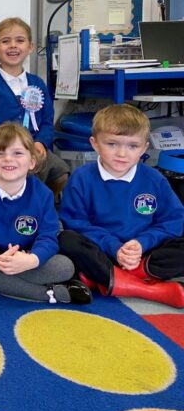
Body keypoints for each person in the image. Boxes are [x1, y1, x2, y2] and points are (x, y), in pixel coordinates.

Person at [59, 104, 184, 308]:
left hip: (145, 254)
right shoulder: (82, 178)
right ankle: (147, 288)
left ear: (144, 148)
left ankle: (117, 277)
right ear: (95, 144)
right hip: (103, 251)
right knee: (66, 240)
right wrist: (115, 248)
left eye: (132, 146)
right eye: (112, 144)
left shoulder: (154, 179)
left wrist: (142, 243)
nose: (122, 153)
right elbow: (75, 223)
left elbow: (173, 221)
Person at [0, 123, 91, 304]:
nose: (8, 159)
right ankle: (45, 294)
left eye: (17, 153)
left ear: (32, 161)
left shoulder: (43, 193)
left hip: (26, 257)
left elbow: (49, 237)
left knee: (64, 266)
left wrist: (31, 260)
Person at [0, 17, 69, 199]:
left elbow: (47, 122)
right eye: (5, 41)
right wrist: (2, 144)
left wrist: (39, 143)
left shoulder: (37, 83)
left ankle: (42, 206)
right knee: (16, 171)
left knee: (61, 172)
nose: (13, 46)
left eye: (20, 40)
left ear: (30, 47)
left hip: (32, 145)